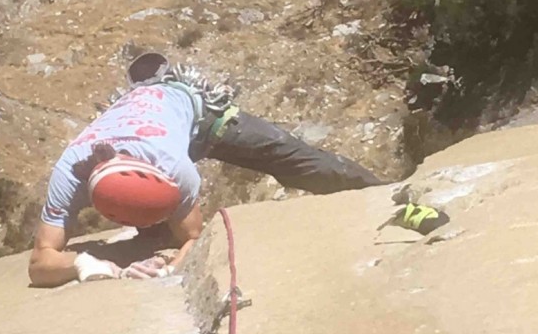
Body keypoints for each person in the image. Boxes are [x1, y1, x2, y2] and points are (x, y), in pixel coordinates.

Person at [28, 53, 384, 287]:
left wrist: (173, 264)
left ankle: (376, 189)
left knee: (289, 157)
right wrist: (85, 264)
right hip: (156, 125)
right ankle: (152, 234)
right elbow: (40, 261)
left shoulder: (175, 167)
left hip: (202, 116)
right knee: (157, 238)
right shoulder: (69, 171)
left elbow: (194, 239)